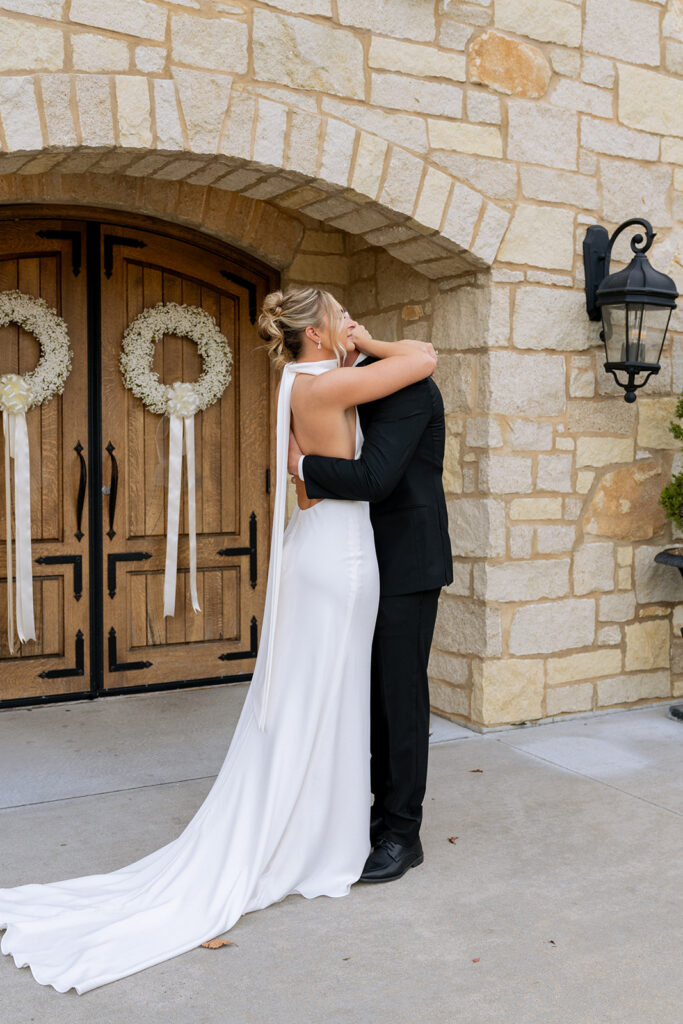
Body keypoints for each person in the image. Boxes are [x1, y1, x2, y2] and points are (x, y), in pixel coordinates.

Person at [0, 287, 437, 994]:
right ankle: (319, 836)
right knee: (331, 695)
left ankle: (320, 825)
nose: (349, 322)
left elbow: (314, 483)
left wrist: (303, 464)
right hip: (345, 560)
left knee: (317, 695)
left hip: (318, 547)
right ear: (319, 332)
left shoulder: (299, 381)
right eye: (339, 316)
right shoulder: (331, 382)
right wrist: (375, 345)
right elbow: (424, 359)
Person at [289, 325, 452, 883]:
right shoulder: (353, 382)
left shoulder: (409, 388)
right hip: (360, 559)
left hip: (408, 560)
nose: (351, 330)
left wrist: (304, 467)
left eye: (356, 323)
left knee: (399, 698)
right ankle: (379, 815)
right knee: (370, 695)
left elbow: (377, 478)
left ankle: (403, 834)